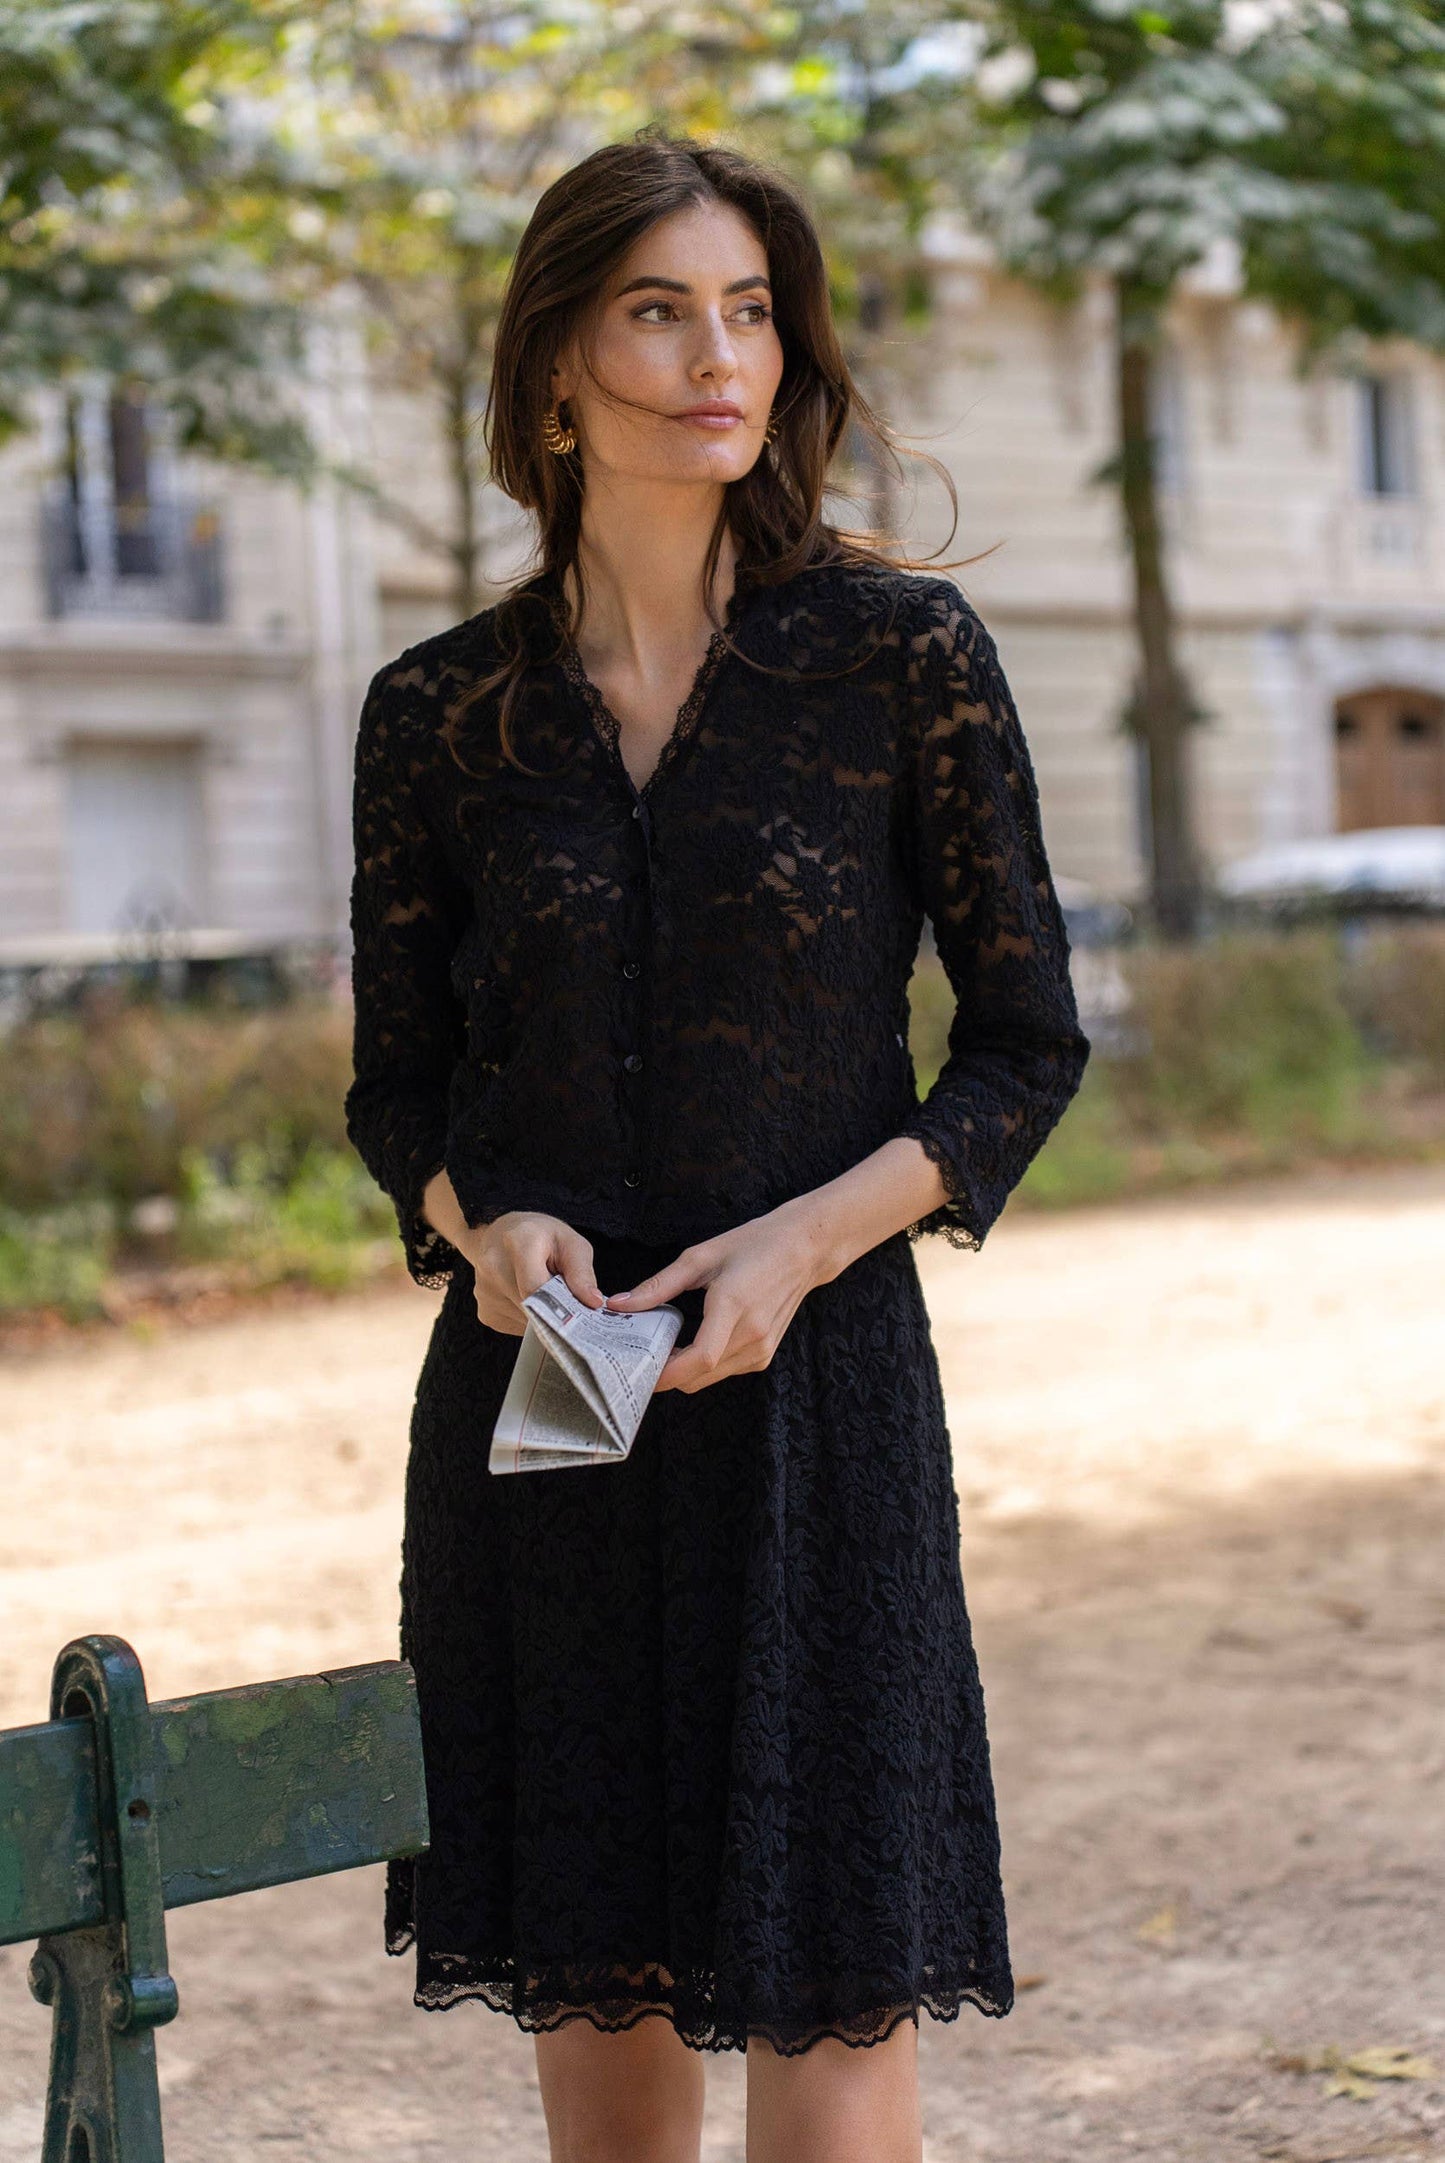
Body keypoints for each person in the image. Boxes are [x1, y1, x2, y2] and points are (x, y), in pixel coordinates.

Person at [345, 128, 1089, 2163]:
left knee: (836, 2053)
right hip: (545, 1434)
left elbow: (1023, 1047)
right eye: (657, 309)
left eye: (750, 309)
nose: (717, 355)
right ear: (558, 362)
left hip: (815, 1423)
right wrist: (479, 1226)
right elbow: (394, 1093)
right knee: (605, 2067)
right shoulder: (438, 715)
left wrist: (801, 1246)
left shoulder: (899, 661)